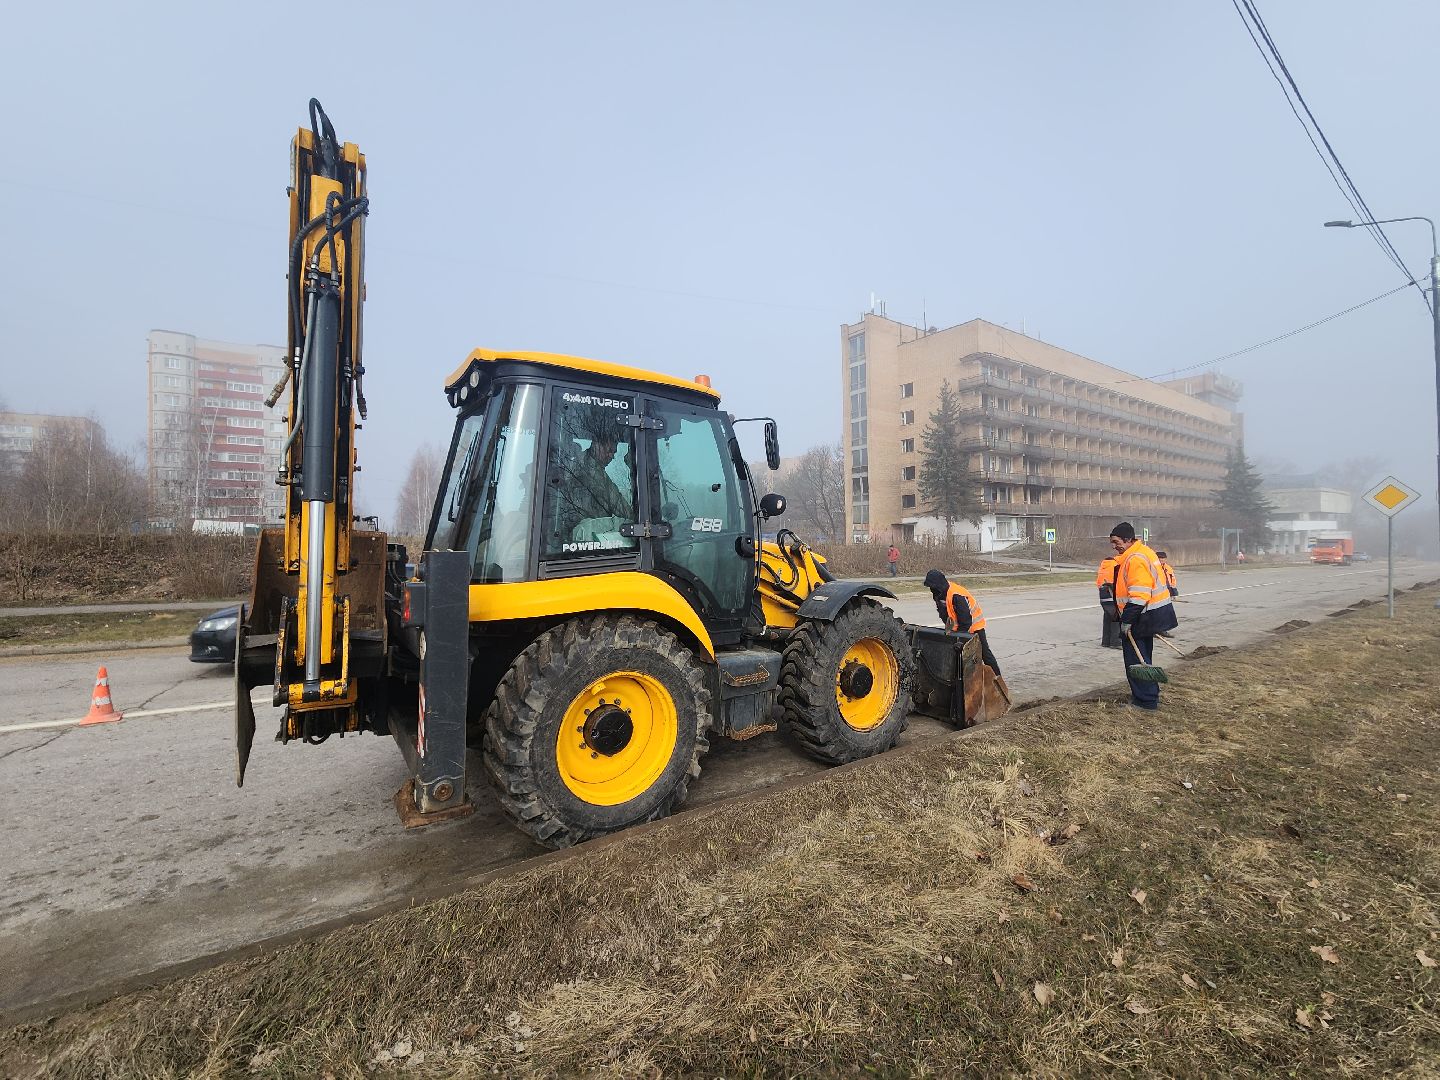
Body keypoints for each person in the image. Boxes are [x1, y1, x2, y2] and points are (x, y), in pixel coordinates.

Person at [1108, 522, 1178, 711]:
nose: (1114, 546)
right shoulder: (1143, 552)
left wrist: (1127, 621)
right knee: (1144, 657)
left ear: (1128, 540)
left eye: (1116, 542)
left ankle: (1145, 701)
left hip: (1140, 616)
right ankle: (1149, 694)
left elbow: (1140, 594)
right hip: (1150, 614)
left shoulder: (1135, 559)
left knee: (1136, 661)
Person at [924, 569, 1001, 678]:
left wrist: (960, 637)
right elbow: (943, 612)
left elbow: (966, 620)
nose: (931, 589)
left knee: (985, 654)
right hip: (957, 630)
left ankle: (997, 679)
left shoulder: (956, 594)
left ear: (939, 584)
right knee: (958, 656)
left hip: (975, 628)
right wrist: (950, 630)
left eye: (932, 586)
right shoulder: (938, 594)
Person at [1096, 553, 1122, 648]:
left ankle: (1106, 641)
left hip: (1103, 593)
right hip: (1111, 592)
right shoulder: (1116, 566)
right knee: (1116, 617)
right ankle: (1115, 642)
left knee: (1107, 616)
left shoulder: (1103, 567)